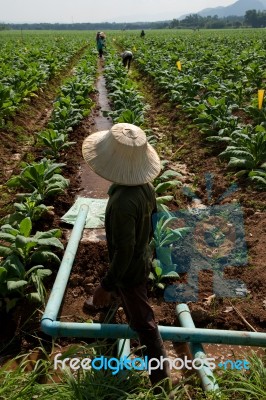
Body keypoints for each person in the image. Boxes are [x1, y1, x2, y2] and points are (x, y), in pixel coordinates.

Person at [82, 123, 173, 396]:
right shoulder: (145, 186)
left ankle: (160, 382)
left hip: (130, 271)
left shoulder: (123, 203)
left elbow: (123, 251)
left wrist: (106, 285)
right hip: (141, 261)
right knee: (133, 304)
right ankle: (112, 310)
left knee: (144, 325)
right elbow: (152, 221)